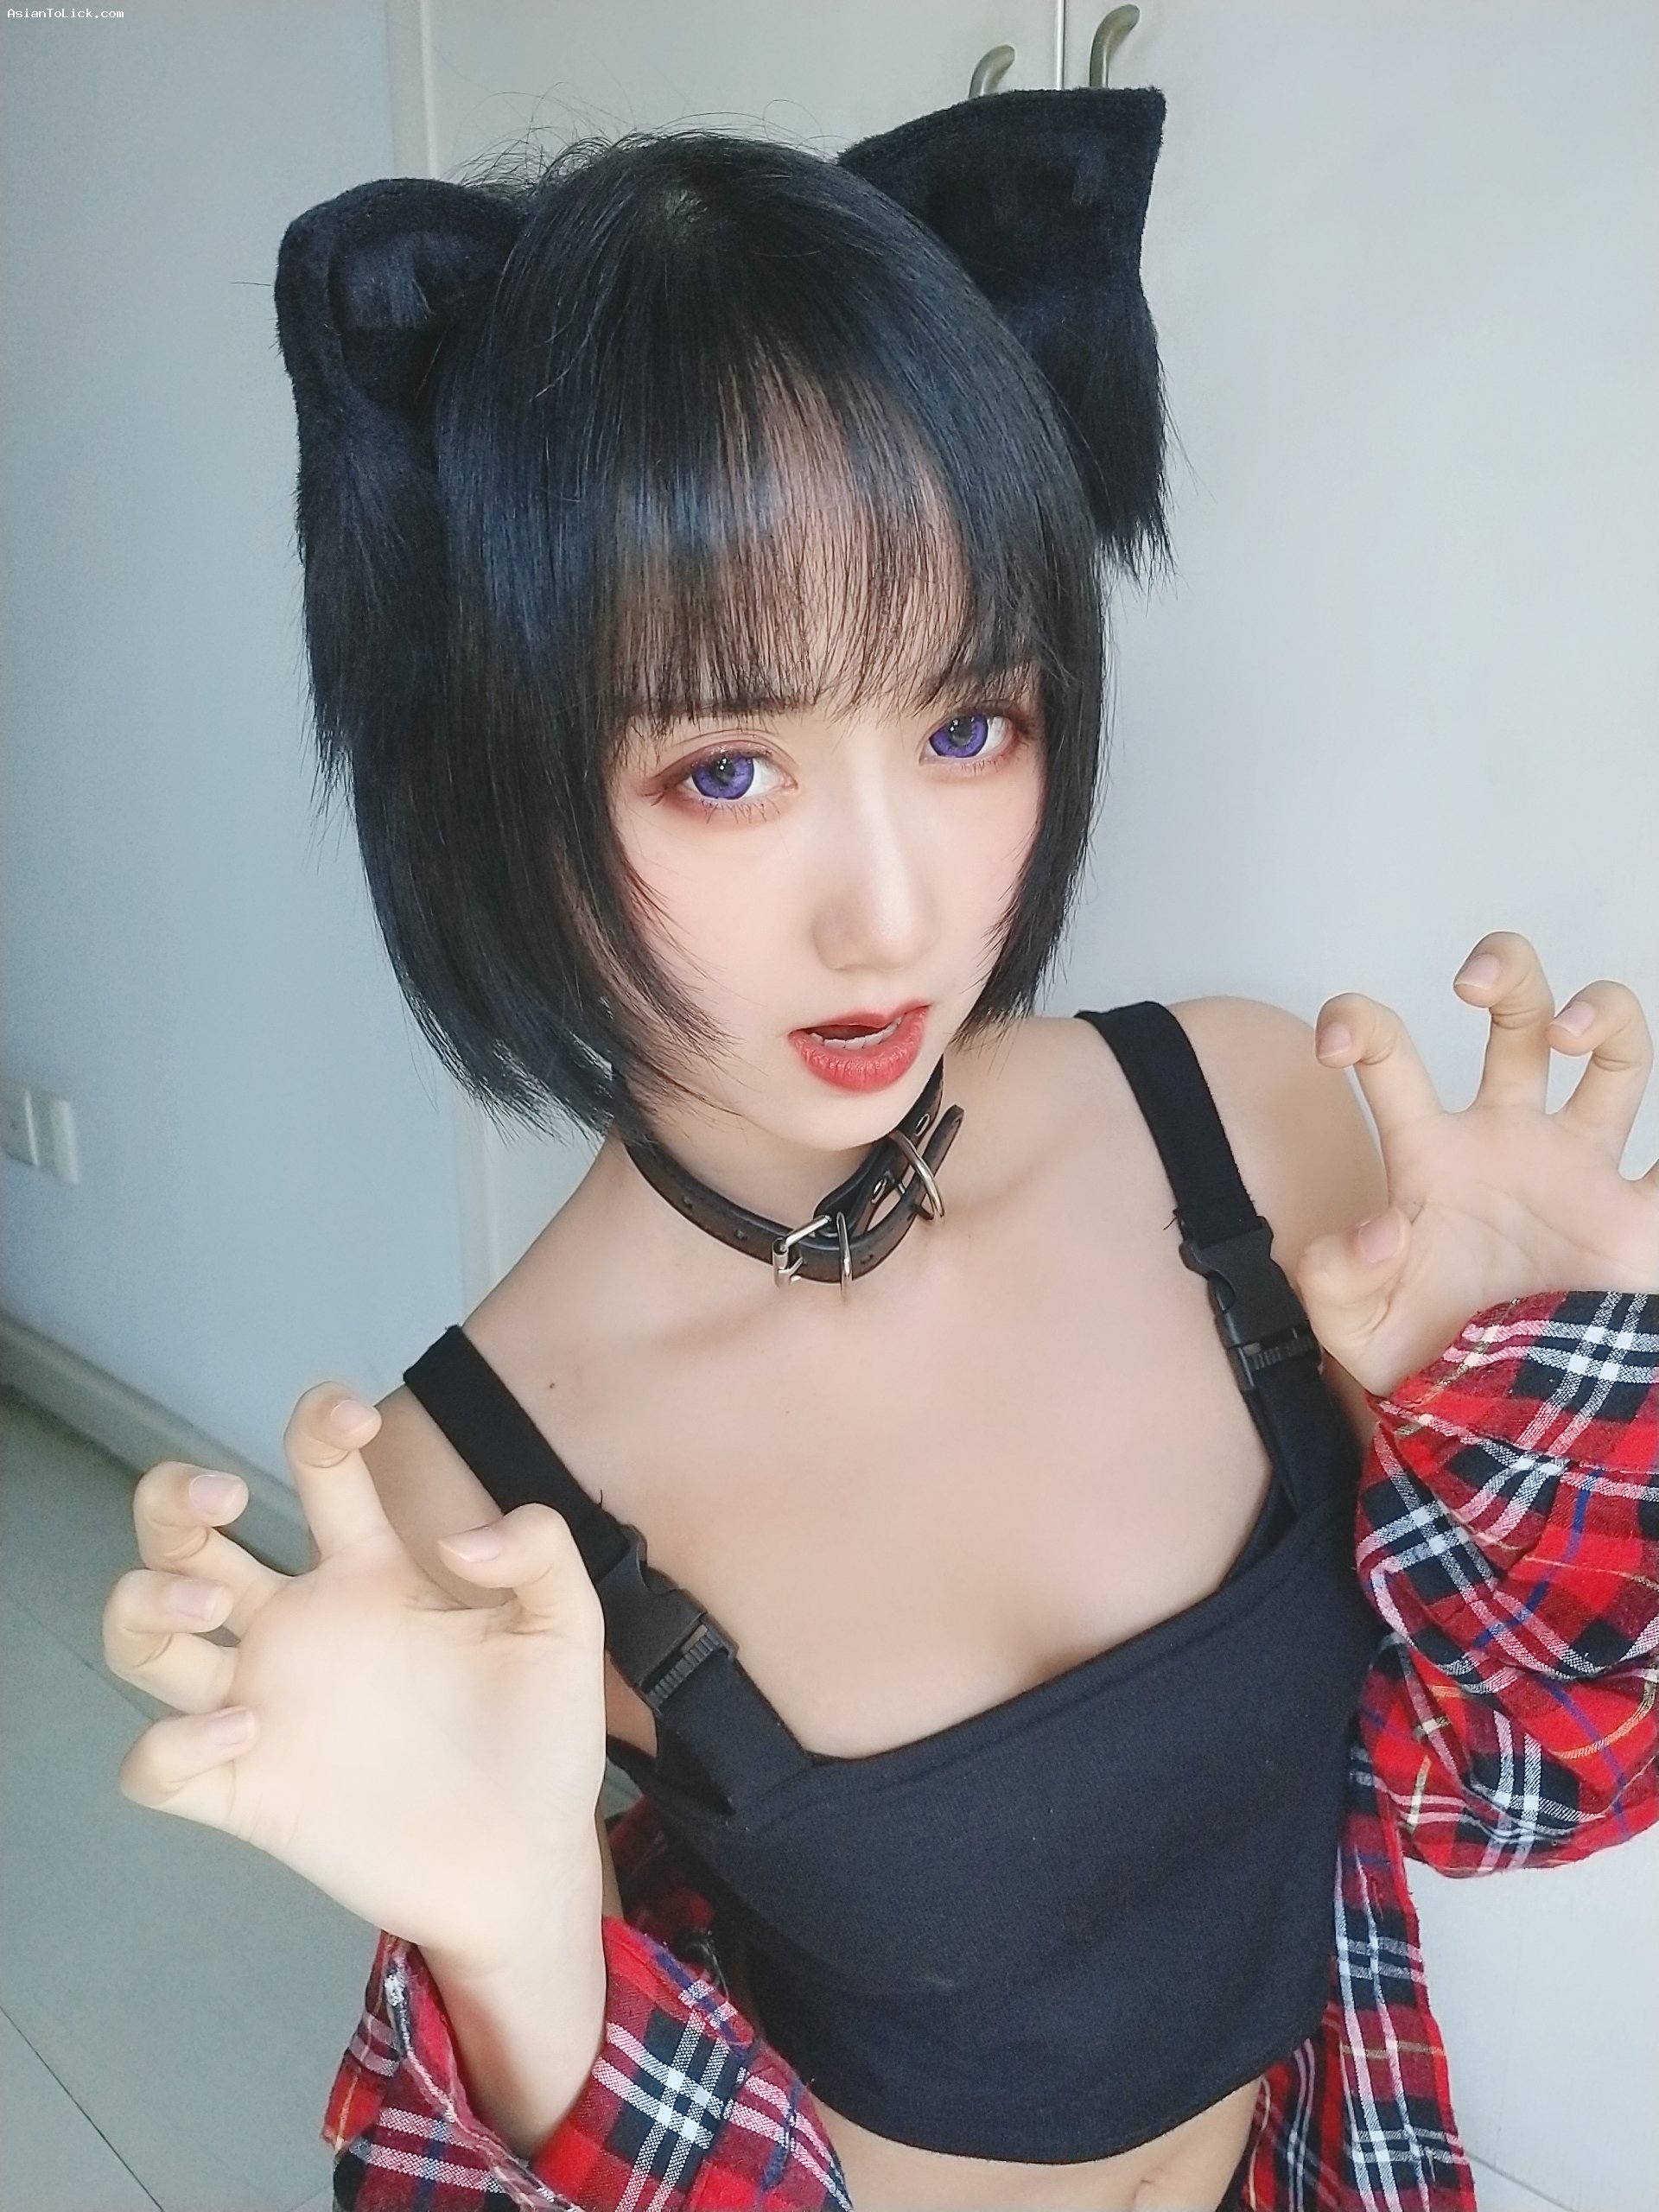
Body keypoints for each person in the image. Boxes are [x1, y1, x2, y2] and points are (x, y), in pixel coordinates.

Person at [102, 87, 1658, 2212]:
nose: (895, 914)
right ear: (504, 772)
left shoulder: (1245, 1120)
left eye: (964, 725)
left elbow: (1532, 1780)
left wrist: (1546, 1398)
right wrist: (521, 1945)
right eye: (727, 770)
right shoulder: (468, 1496)